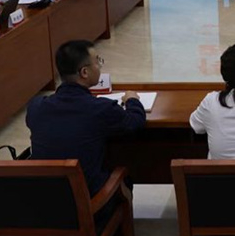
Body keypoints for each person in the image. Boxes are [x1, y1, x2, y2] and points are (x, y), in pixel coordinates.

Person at [27, 40, 146, 196]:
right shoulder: (100, 109)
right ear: (84, 72)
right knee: (124, 177)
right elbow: (135, 122)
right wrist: (132, 100)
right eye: (97, 61)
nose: (100, 65)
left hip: (44, 199)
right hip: (89, 203)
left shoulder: (36, 107)